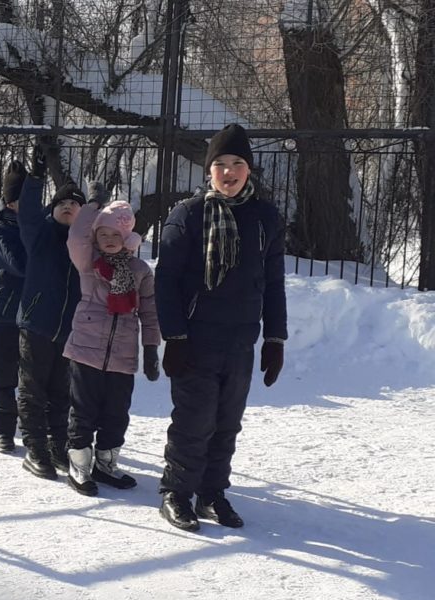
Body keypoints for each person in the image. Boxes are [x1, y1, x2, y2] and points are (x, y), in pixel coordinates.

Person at [155, 123, 287, 531]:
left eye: (237, 163)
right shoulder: (189, 214)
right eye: (220, 164)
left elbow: (274, 281)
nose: (228, 171)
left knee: (228, 421)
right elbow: (167, 280)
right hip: (196, 340)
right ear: (208, 170)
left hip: (240, 341)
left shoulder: (264, 218)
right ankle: (176, 492)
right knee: (195, 420)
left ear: (249, 169)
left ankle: (212, 493)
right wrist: (173, 337)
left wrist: (275, 338)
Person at [63, 200, 160, 496]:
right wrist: (92, 205)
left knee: (117, 413)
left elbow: (150, 312)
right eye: (103, 234)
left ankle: (105, 464)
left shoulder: (140, 270)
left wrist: (151, 348)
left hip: (122, 354)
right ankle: (79, 465)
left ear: (127, 238)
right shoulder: (88, 263)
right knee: (84, 410)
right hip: (85, 349)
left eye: (115, 235)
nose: (108, 240)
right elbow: (76, 236)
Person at [15, 146, 88, 479]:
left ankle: (57, 445)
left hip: (70, 330)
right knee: (33, 388)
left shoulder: (85, 244)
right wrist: (35, 178)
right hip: (37, 325)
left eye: (75, 203)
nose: (68, 206)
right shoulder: (41, 235)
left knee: (62, 392)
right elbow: (28, 212)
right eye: (61, 202)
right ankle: (35, 449)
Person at [0, 160, 27, 453]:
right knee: (1, 375)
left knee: (33, 376)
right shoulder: (2, 231)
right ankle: (3, 429)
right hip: (2, 313)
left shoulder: (39, 228)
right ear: (10, 203)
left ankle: (33, 426)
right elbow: (20, 265)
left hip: (33, 315)